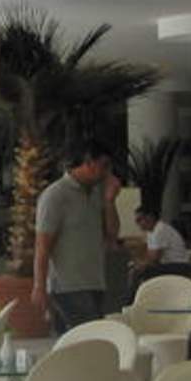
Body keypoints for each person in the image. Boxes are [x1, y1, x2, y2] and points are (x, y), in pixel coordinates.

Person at [30, 140, 119, 335]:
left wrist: (110, 202)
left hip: (95, 281)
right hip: (67, 285)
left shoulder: (98, 193)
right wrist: (39, 285)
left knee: (89, 340)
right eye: (104, 166)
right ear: (89, 162)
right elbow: (43, 246)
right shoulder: (55, 196)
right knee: (89, 339)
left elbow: (112, 234)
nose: (107, 173)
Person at [130, 207, 191, 286]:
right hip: (169, 264)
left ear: (150, 217)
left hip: (178, 266)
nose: (137, 224)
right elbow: (149, 254)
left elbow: (153, 259)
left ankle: (135, 293)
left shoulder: (160, 230)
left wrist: (139, 263)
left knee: (139, 271)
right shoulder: (152, 231)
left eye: (139, 220)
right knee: (136, 269)